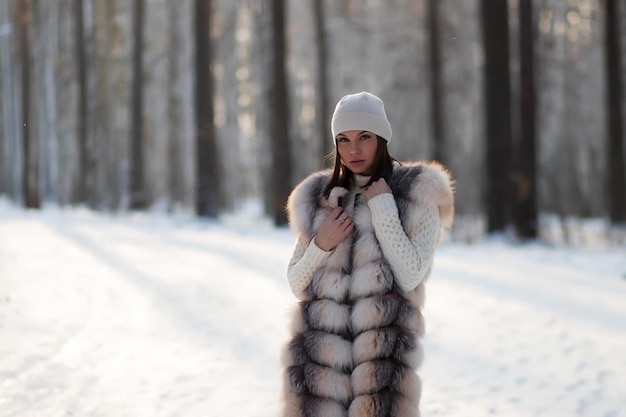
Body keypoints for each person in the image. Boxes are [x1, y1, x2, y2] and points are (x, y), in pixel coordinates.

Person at [280, 91, 455, 417]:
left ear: (381, 138)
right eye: (343, 140)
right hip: (320, 372)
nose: (354, 149)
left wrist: (384, 208)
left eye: (364, 137)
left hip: (381, 371)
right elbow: (296, 281)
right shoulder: (322, 195)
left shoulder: (416, 191)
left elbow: (411, 273)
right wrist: (322, 244)